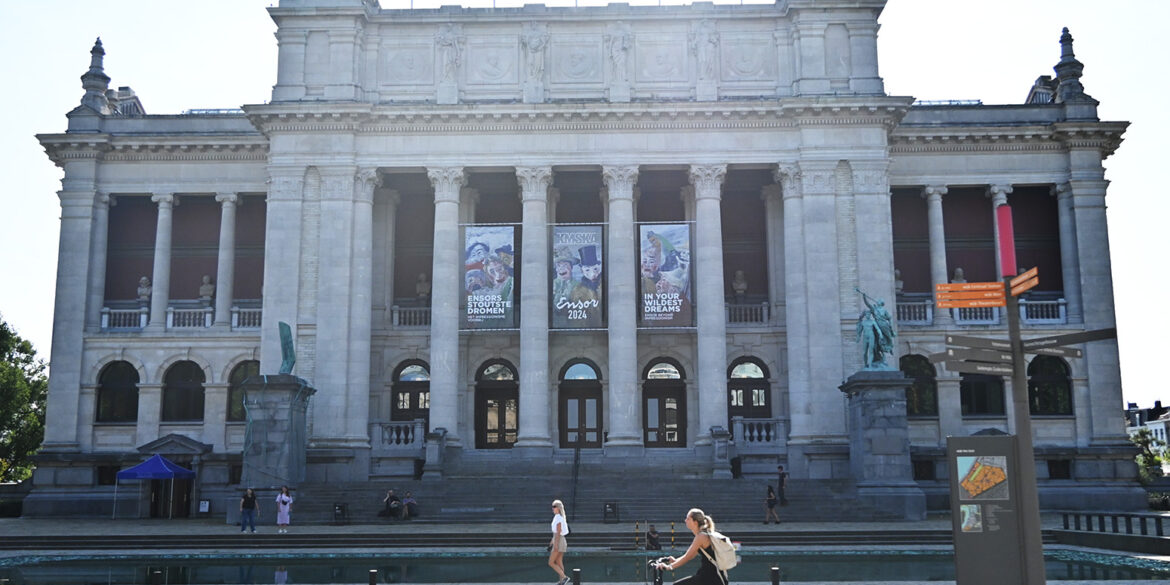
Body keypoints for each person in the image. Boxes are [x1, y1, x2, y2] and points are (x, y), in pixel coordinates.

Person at [653, 508, 726, 585]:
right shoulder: (703, 534)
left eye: (688, 518)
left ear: (695, 522)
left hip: (711, 578)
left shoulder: (701, 536)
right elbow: (690, 555)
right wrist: (676, 561)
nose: (685, 520)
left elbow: (687, 557)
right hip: (710, 576)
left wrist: (669, 567)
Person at [549, 499, 571, 585]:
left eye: (554, 507)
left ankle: (565, 577)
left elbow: (558, 533)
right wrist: (552, 541)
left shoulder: (559, 518)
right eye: (552, 507)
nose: (552, 508)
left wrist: (556, 545)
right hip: (560, 540)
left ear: (558, 508)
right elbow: (555, 533)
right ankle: (562, 581)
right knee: (559, 561)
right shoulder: (558, 517)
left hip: (559, 541)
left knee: (551, 562)